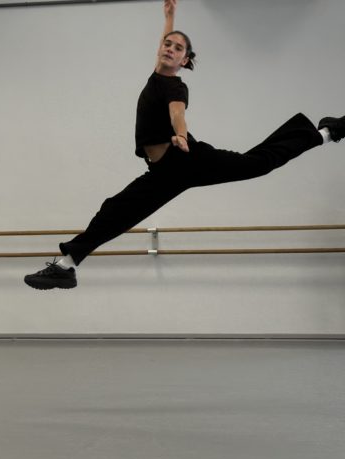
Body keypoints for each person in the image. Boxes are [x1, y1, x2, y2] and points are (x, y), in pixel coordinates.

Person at [24, 0, 345, 290]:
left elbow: (177, 113)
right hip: (163, 172)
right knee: (115, 210)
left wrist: (180, 133)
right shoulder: (157, 75)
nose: (169, 48)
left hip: (187, 159)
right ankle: (65, 267)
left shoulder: (175, 87)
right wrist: (170, 16)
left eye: (177, 48)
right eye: (167, 43)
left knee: (258, 163)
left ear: (184, 60)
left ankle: (326, 133)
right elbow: (166, 46)